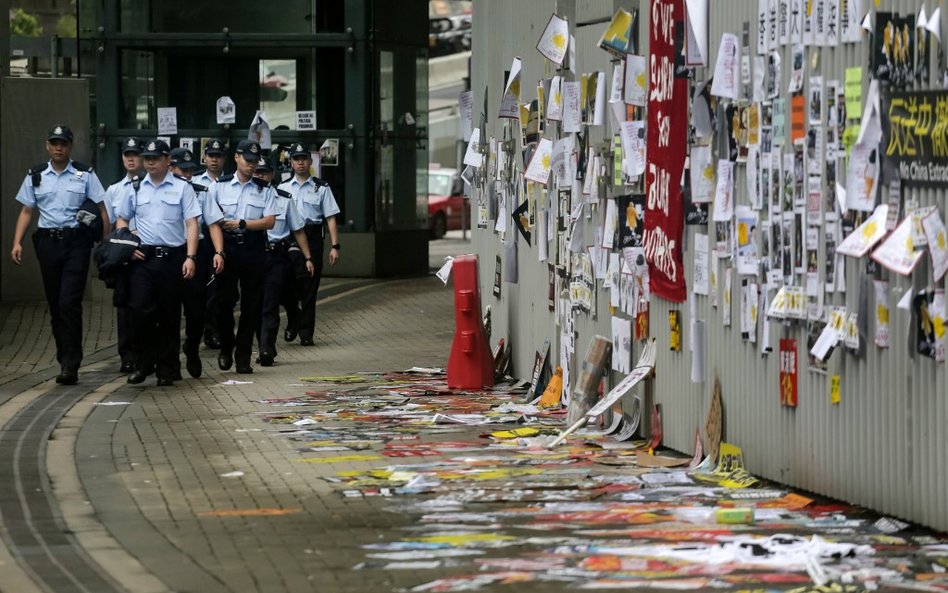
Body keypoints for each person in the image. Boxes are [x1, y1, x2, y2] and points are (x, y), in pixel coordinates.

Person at [10, 124, 108, 385]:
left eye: (63, 143)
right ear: (47, 146)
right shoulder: (36, 175)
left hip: (76, 243)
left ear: (70, 146)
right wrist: (17, 242)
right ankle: (63, 356)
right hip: (47, 244)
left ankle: (71, 364)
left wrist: (106, 242)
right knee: (56, 305)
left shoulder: (84, 174)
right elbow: (27, 211)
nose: (58, 147)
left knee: (68, 303)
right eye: (54, 143)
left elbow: (101, 208)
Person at [114, 139, 201, 386]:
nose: (150, 162)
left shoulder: (182, 188)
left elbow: (192, 222)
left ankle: (167, 368)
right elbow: (121, 219)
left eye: (155, 158)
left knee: (169, 315)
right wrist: (128, 244)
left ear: (167, 160)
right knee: (139, 311)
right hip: (143, 258)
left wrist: (191, 257)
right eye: (147, 158)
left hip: (172, 258)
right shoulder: (136, 187)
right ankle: (143, 363)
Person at [206, 139, 277, 373]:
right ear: (236, 157)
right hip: (228, 248)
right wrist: (219, 251)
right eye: (248, 160)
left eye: (255, 161)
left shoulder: (264, 189)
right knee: (223, 303)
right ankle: (227, 346)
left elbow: (269, 221)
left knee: (252, 305)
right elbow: (213, 220)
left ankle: (243, 355)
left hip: (254, 247)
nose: (252, 165)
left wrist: (244, 224)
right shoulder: (220, 186)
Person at [169, 147, 226, 378]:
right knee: (168, 309)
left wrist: (219, 251)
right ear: (170, 168)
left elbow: (213, 224)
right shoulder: (155, 191)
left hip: (197, 252)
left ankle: (192, 348)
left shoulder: (201, 192)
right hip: (171, 252)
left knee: (196, 310)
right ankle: (169, 362)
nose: (188, 175)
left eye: (191, 170)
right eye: (183, 170)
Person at [254, 156, 314, 366]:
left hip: (276, 256)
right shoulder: (246, 197)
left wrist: (307, 257)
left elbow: (298, 230)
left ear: (272, 174)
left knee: (270, 304)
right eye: (257, 172)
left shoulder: (284, 199)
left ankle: (266, 349)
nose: (261, 175)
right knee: (255, 304)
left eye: (264, 172)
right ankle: (262, 343)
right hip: (252, 257)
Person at [280, 143, 340, 346]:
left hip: (312, 236)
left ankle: (306, 333)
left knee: (309, 287)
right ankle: (294, 317)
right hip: (288, 238)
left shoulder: (321, 187)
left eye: (303, 158)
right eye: (296, 159)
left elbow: (330, 217)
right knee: (284, 284)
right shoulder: (283, 188)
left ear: (309, 161)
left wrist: (335, 245)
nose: (300, 162)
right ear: (291, 162)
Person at [104, 137, 143, 374]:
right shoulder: (114, 190)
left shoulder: (151, 186)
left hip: (147, 252)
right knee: (124, 307)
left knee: (147, 306)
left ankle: (146, 353)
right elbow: (108, 226)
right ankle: (127, 355)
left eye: (135, 154)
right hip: (125, 254)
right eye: (127, 154)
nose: (130, 158)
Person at [195, 138, 227, 349]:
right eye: (211, 155)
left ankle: (215, 328)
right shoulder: (195, 181)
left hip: (224, 237)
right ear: (204, 157)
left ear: (225, 159)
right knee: (200, 288)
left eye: (218, 156)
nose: (214, 160)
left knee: (220, 289)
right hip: (199, 239)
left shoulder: (231, 183)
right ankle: (204, 328)